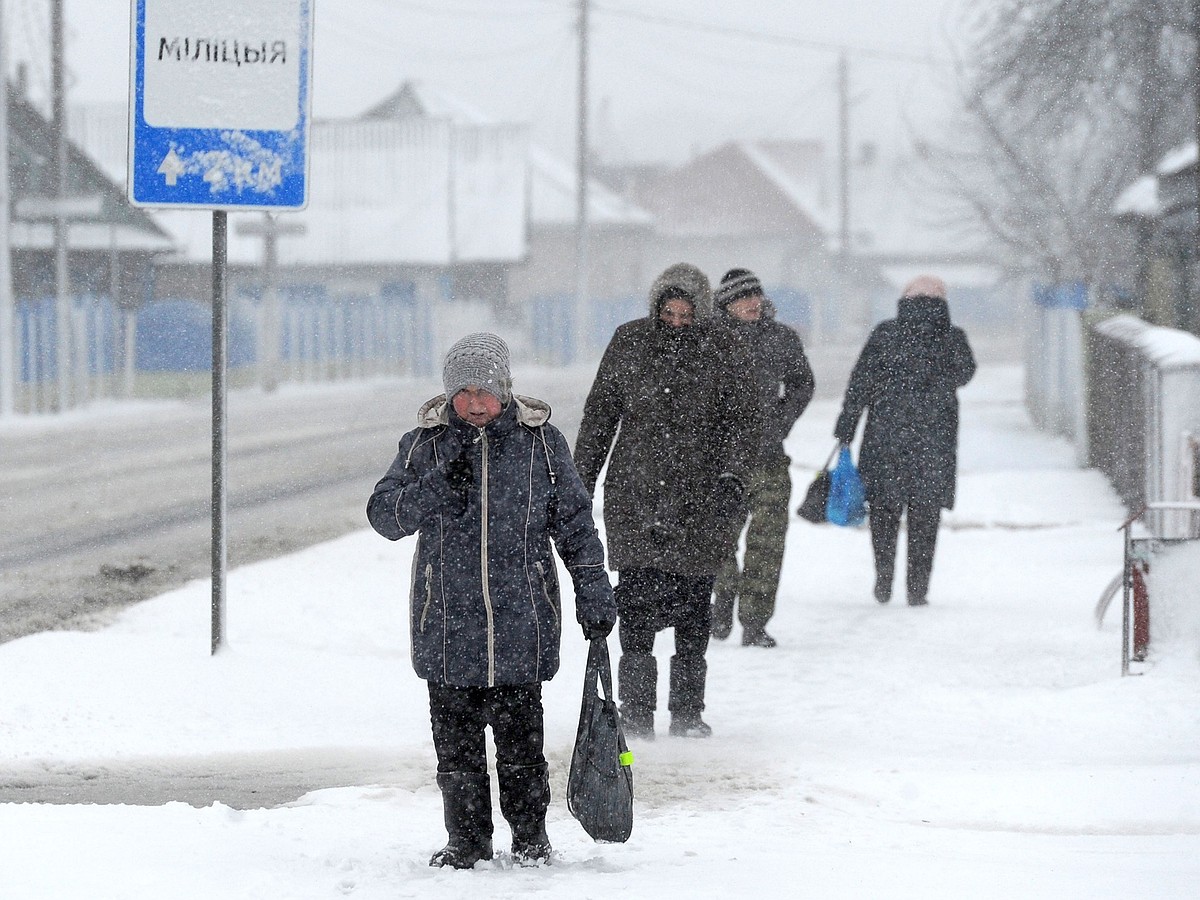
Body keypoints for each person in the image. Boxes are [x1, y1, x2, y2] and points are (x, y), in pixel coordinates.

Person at [366, 332, 616, 869]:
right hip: (448, 628)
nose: (475, 402)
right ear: (448, 395)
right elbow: (384, 516)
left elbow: (574, 524)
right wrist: (432, 487)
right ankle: (467, 842)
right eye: (464, 392)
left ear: (505, 390)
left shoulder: (542, 445)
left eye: (486, 390)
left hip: (520, 626)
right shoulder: (423, 446)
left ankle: (531, 839)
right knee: (456, 754)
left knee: (522, 751)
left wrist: (593, 587)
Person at [573, 263, 760, 740]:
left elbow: (743, 422)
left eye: (686, 314)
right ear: (656, 308)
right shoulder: (629, 341)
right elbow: (601, 413)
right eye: (669, 313)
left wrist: (733, 476)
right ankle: (636, 717)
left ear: (700, 313)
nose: (677, 322)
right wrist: (580, 482)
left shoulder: (724, 347)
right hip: (635, 494)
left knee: (693, 605)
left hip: (701, 497)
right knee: (635, 604)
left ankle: (687, 715)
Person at [833, 275, 976, 606]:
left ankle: (884, 578)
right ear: (943, 302)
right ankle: (917, 588)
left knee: (884, 511)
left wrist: (846, 425)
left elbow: (860, 382)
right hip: (933, 441)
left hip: (886, 438)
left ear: (904, 300)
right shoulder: (952, 337)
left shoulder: (886, 334)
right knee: (925, 516)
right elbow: (965, 373)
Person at [710, 268, 815, 648]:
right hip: (720, 463)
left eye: (756, 295)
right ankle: (722, 596)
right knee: (717, 540)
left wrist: (781, 422)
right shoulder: (708, 339)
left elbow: (803, 383)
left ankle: (755, 623)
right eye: (743, 298)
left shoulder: (780, 338)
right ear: (726, 303)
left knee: (768, 544)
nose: (753, 303)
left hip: (768, 457)